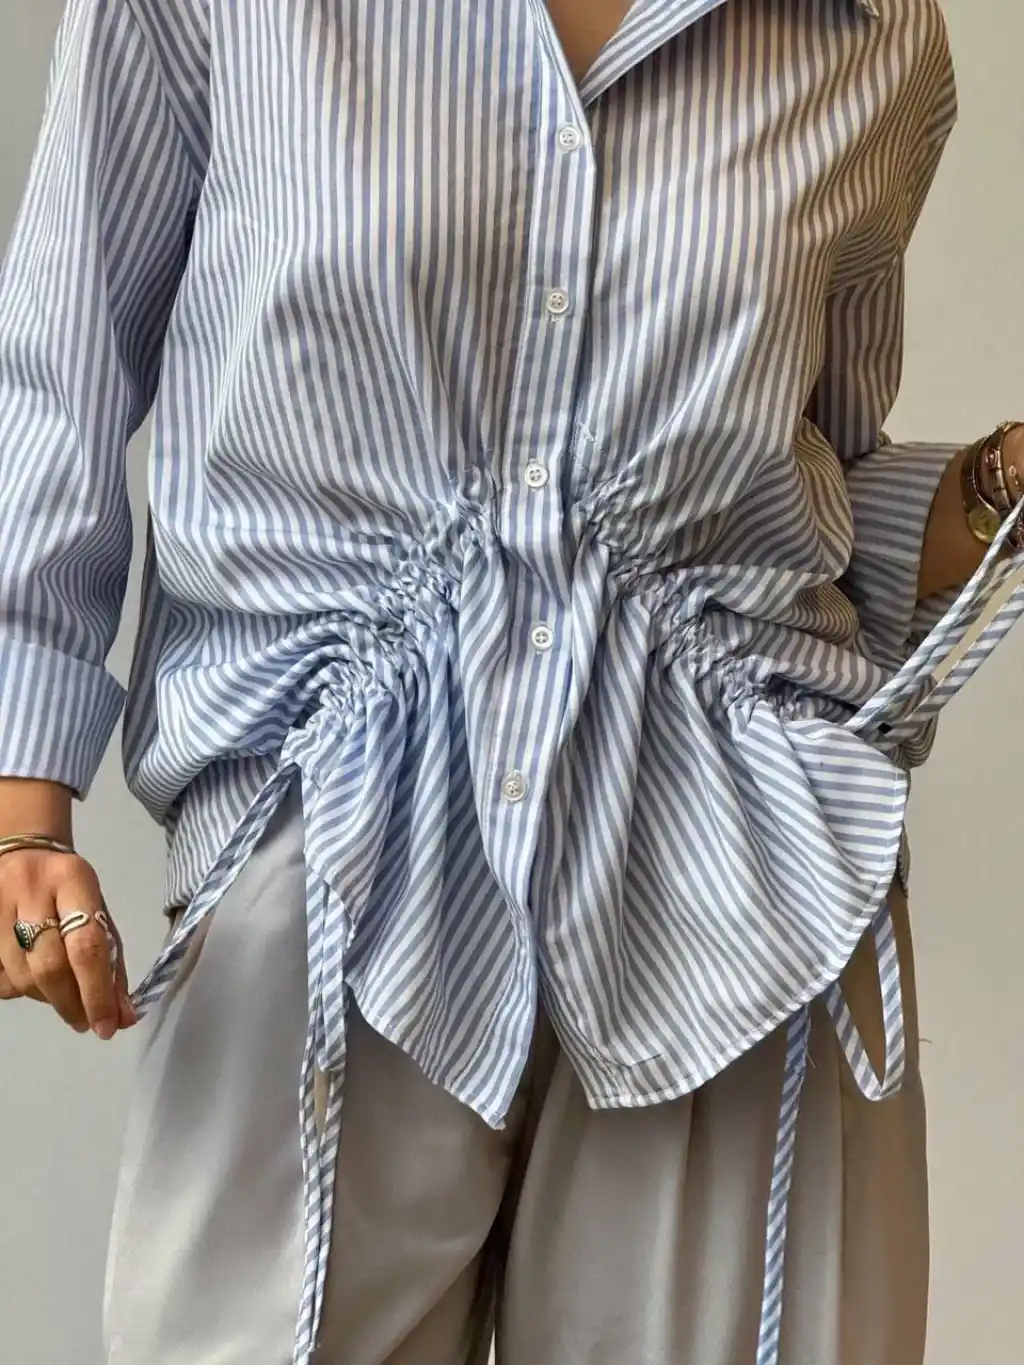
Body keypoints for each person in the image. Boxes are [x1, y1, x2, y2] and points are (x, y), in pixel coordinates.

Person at [0, 1, 1021, 1362]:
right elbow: (58, 361)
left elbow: (796, 492)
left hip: (731, 890)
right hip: (335, 846)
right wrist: (21, 793)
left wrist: (998, 484)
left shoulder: (870, 35)